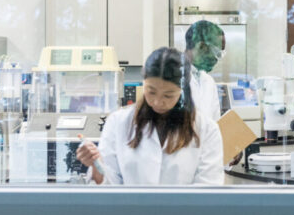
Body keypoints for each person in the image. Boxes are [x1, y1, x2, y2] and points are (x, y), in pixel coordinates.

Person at [77, 47, 224, 185]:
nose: (157, 102)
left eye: (168, 95)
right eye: (151, 91)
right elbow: (109, 185)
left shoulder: (206, 130)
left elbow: (208, 190)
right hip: (131, 211)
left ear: (182, 91)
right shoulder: (118, 122)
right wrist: (96, 166)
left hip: (184, 213)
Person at [185, 20, 226, 122]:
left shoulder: (209, 82)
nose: (217, 59)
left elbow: (215, 125)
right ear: (201, 46)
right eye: (216, 53)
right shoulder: (171, 78)